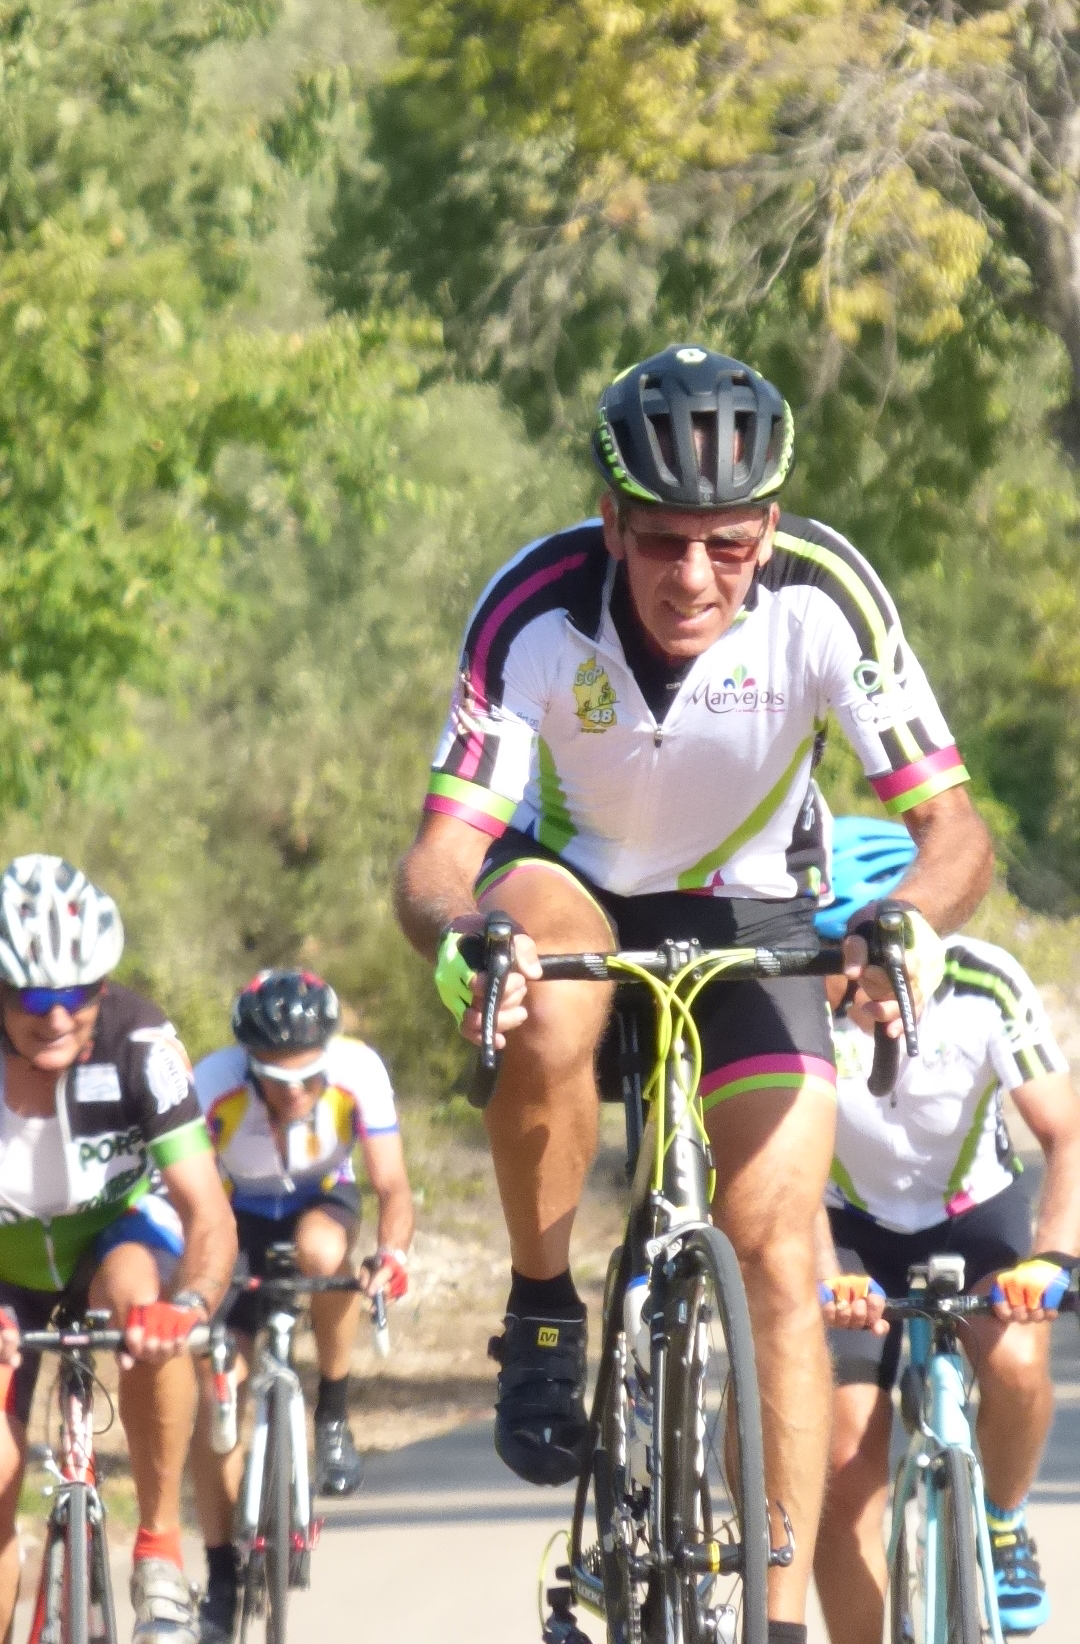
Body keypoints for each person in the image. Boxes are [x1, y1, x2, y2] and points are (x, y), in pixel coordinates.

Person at [395, 344, 993, 1643]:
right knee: (545, 979)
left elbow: (954, 832)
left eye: (730, 544)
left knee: (777, 1248)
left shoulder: (826, 598)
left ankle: (773, 1616)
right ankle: (543, 1308)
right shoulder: (536, 609)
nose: (695, 576)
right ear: (610, 521)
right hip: (571, 886)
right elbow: (442, 852)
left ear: (769, 527)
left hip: (749, 909)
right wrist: (462, 938)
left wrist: (904, 921)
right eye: (663, 542)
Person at [815, 816, 1080, 1642]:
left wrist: (1053, 1259)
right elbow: (777, 1171)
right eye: (837, 959)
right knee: (843, 1459)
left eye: (875, 960)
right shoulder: (801, 1000)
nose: (856, 985)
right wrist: (825, 1275)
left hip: (971, 1216)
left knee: (1015, 1358)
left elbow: (1066, 1133)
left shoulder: (985, 982)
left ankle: (1001, 1521)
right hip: (848, 1228)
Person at [0, 853, 237, 1644]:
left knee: (144, 1305)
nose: (56, 1016)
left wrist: (191, 1304)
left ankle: (159, 1549)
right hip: (5, 1260)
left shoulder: (141, 1041)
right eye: (33, 996)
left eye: (79, 993)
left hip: (115, 1232)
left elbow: (208, 1211)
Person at [190, 968, 413, 1644]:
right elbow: (186, 1198)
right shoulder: (213, 1081)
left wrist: (392, 1255)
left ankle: (333, 1413)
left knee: (324, 1256)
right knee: (217, 1386)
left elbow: (392, 1185)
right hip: (235, 1213)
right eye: (275, 1078)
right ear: (248, 1065)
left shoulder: (358, 1071)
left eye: (308, 1076)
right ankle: (221, 1576)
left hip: (322, 1197)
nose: (294, 1093)